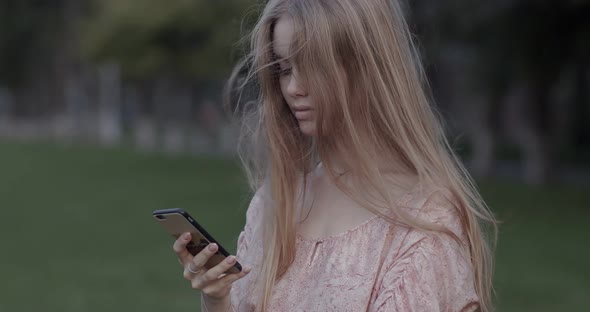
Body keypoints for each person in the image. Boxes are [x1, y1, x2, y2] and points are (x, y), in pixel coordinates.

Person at [173, 0, 498, 311]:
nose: (293, 88)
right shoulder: (275, 202)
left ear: (368, 67)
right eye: (285, 69)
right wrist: (216, 300)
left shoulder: (423, 224)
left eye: (312, 66)